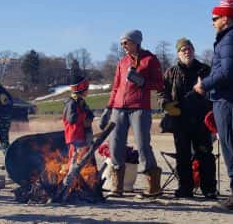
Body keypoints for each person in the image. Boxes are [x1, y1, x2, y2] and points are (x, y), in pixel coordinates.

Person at [194, 0, 233, 210]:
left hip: (229, 100)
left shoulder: (230, 38)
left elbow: (227, 72)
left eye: (214, 17)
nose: (212, 22)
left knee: (232, 146)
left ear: (225, 18)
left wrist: (204, 84)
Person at [99, 29, 164, 197]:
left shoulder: (150, 60)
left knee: (143, 145)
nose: (123, 46)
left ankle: (153, 186)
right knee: (115, 145)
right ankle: (117, 186)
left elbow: (159, 84)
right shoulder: (122, 62)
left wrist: (142, 82)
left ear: (136, 42)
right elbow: (115, 87)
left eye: (126, 42)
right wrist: (108, 108)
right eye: (122, 43)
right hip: (118, 108)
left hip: (139, 107)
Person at [158, 38, 217, 199]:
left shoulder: (205, 70)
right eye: (183, 49)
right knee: (182, 156)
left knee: (205, 154)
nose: (186, 51)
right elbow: (161, 92)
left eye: (189, 48)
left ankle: (209, 189)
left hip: (201, 120)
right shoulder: (171, 72)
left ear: (193, 50)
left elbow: (215, 91)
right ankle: (185, 188)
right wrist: (165, 104)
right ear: (178, 53)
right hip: (179, 120)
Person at [62, 76, 95, 174]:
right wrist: (85, 115)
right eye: (87, 89)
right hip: (74, 136)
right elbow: (72, 119)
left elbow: (87, 114)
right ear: (81, 89)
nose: (88, 91)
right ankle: (70, 177)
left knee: (82, 159)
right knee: (74, 159)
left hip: (81, 135)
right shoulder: (71, 103)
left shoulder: (80, 101)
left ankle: (81, 178)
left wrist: (89, 115)